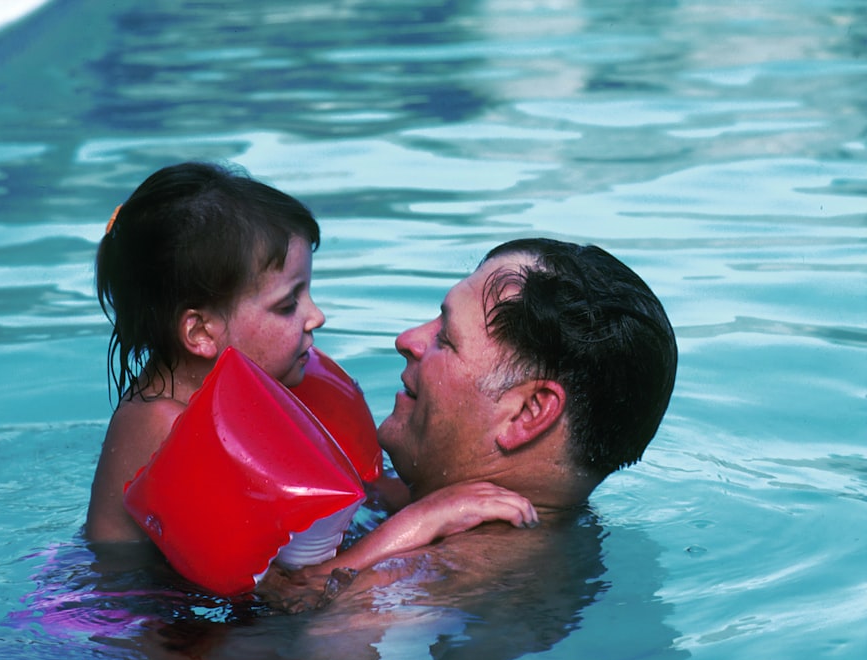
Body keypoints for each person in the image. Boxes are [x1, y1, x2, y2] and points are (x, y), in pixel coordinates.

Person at [84, 162, 537, 577]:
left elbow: (357, 499)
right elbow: (288, 593)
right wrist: (424, 518)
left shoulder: (257, 395)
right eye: (287, 304)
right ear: (201, 332)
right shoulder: (165, 426)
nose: (316, 316)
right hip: (137, 617)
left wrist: (463, 492)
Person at [258, 237, 677, 618]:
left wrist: (413, 525)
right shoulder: (555, 538)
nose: (407, 339)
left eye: (446, 339)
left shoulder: (424, 579)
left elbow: (302, 620)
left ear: (528, 412)